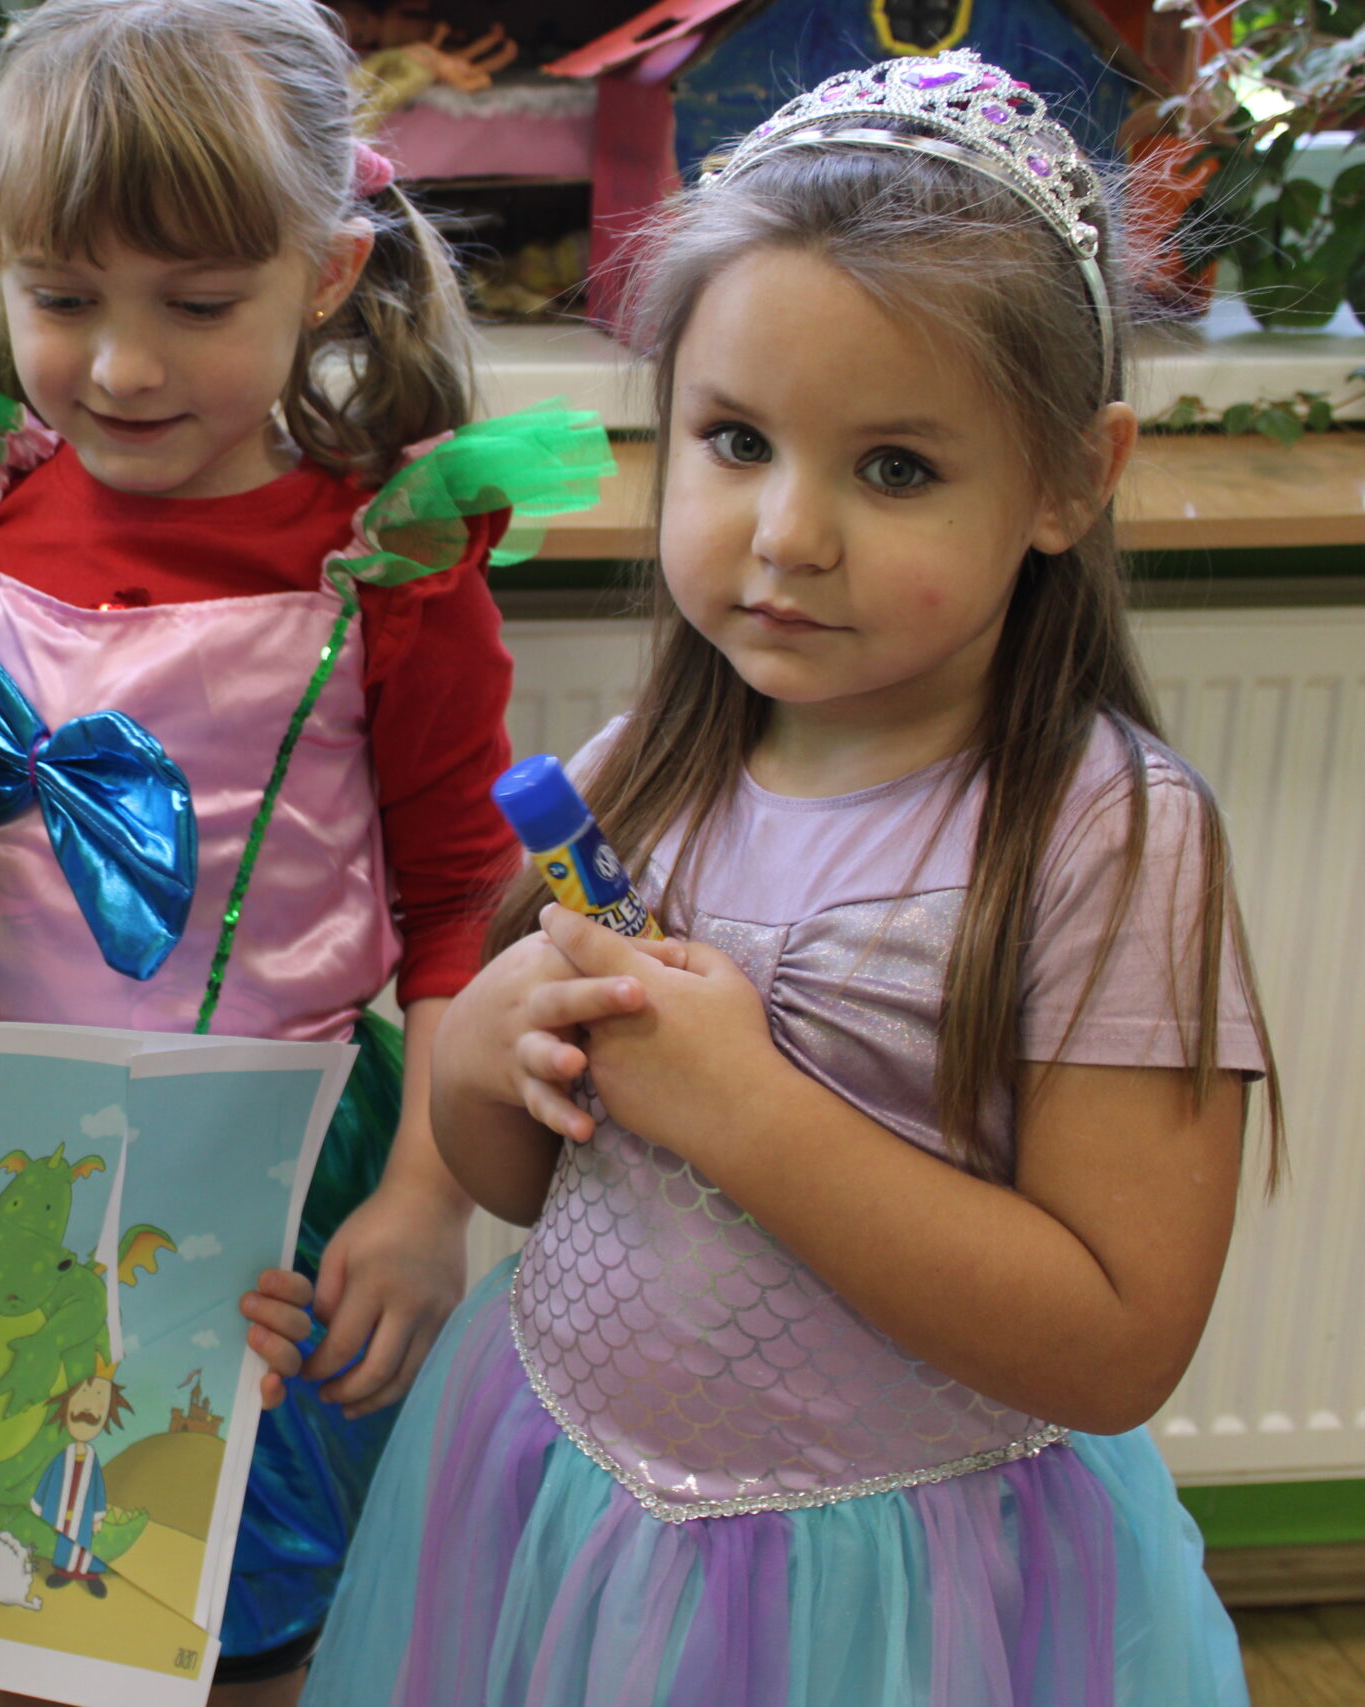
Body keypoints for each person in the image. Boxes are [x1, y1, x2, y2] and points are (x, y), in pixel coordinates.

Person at [301, 54, 1283, 1706]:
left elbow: (1117, 1341)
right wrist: (484, 1053)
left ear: (1071, 476)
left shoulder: (1111, 835)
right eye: (738, 440)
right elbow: (530, 1181)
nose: (787, 533)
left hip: (904, 1603)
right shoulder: (631, 776)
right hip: (566, 1526)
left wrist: (744, 1110)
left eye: (894, 467)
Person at [0, 3, 612, 1692]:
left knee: (251, 1619)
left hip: (275, 1197)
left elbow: (462, 910)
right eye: (61, 298)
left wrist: (425, 1199)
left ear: (325, 273)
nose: (121, 366)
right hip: (4, 1183)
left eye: (194, 306)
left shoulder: (380, 560)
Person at [30, 1364, 131, 1598]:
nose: (87, 1409)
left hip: (84, 1517)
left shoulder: (93, 1460)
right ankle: (64, 1572)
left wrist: (97, 1516)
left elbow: (97, 1489)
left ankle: (90, 1575)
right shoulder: (61, 1457)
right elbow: (47, 1480)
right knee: (65, 1543)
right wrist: (42, 1505)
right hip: (63, 1513)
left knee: (85, 1545)